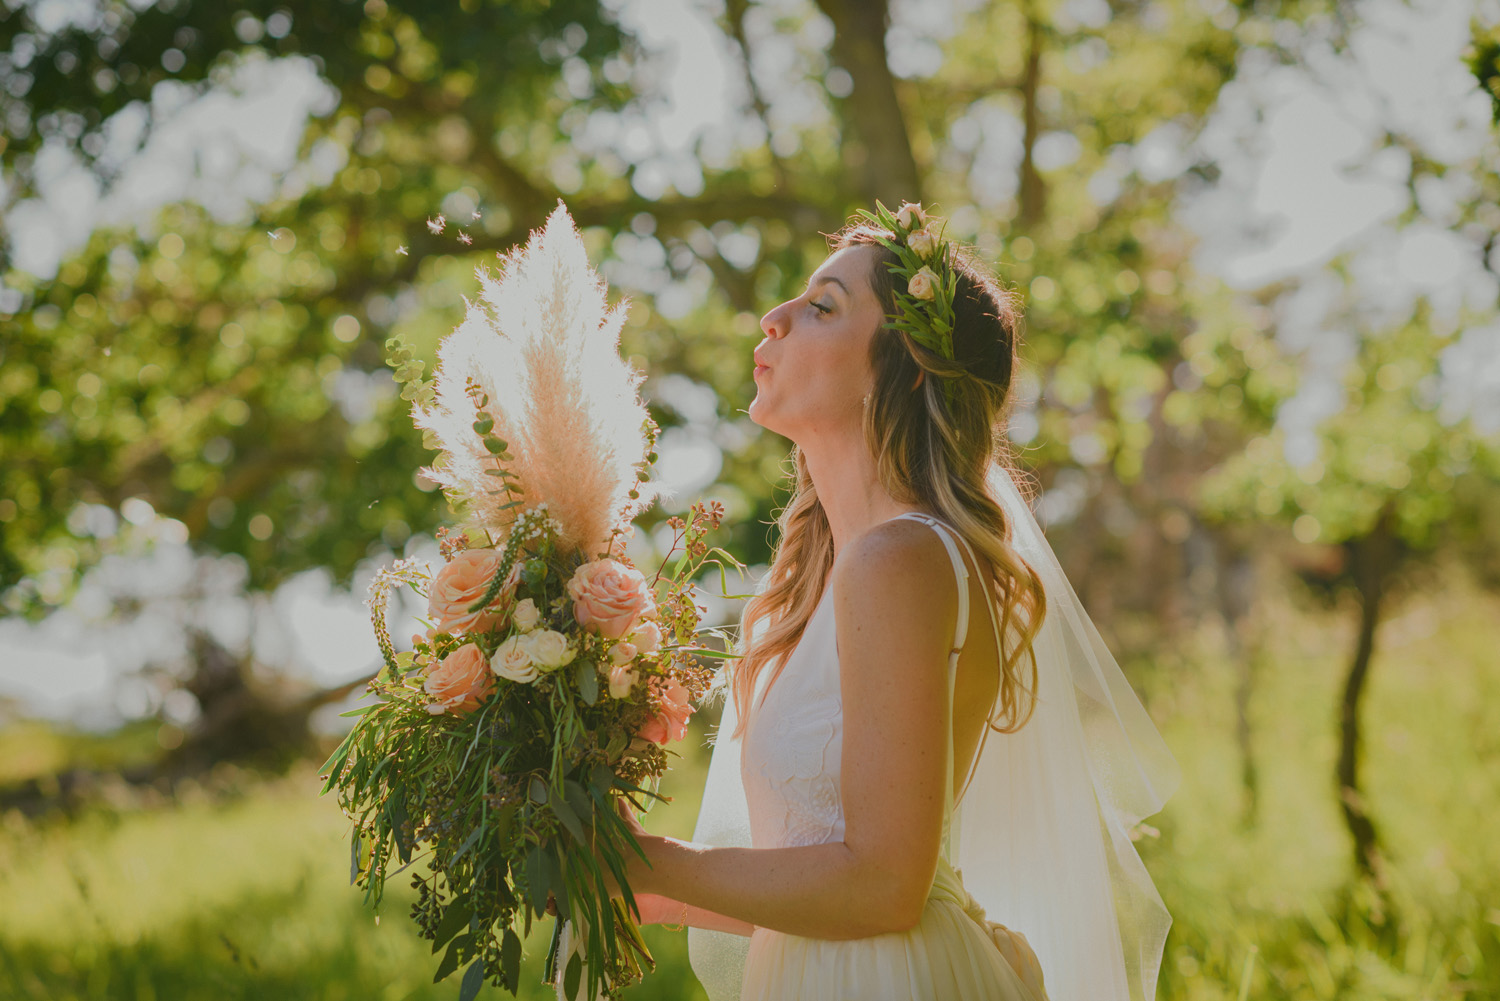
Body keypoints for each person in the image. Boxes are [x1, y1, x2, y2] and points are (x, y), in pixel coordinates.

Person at [612, 203, 1179, 1001]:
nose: (773, 320)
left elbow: (883, 883)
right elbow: (818, 875)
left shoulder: (903, 558)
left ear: (906, 365)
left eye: (822, 307)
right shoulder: (801, 595)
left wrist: (653, 861)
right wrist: (606, 854)